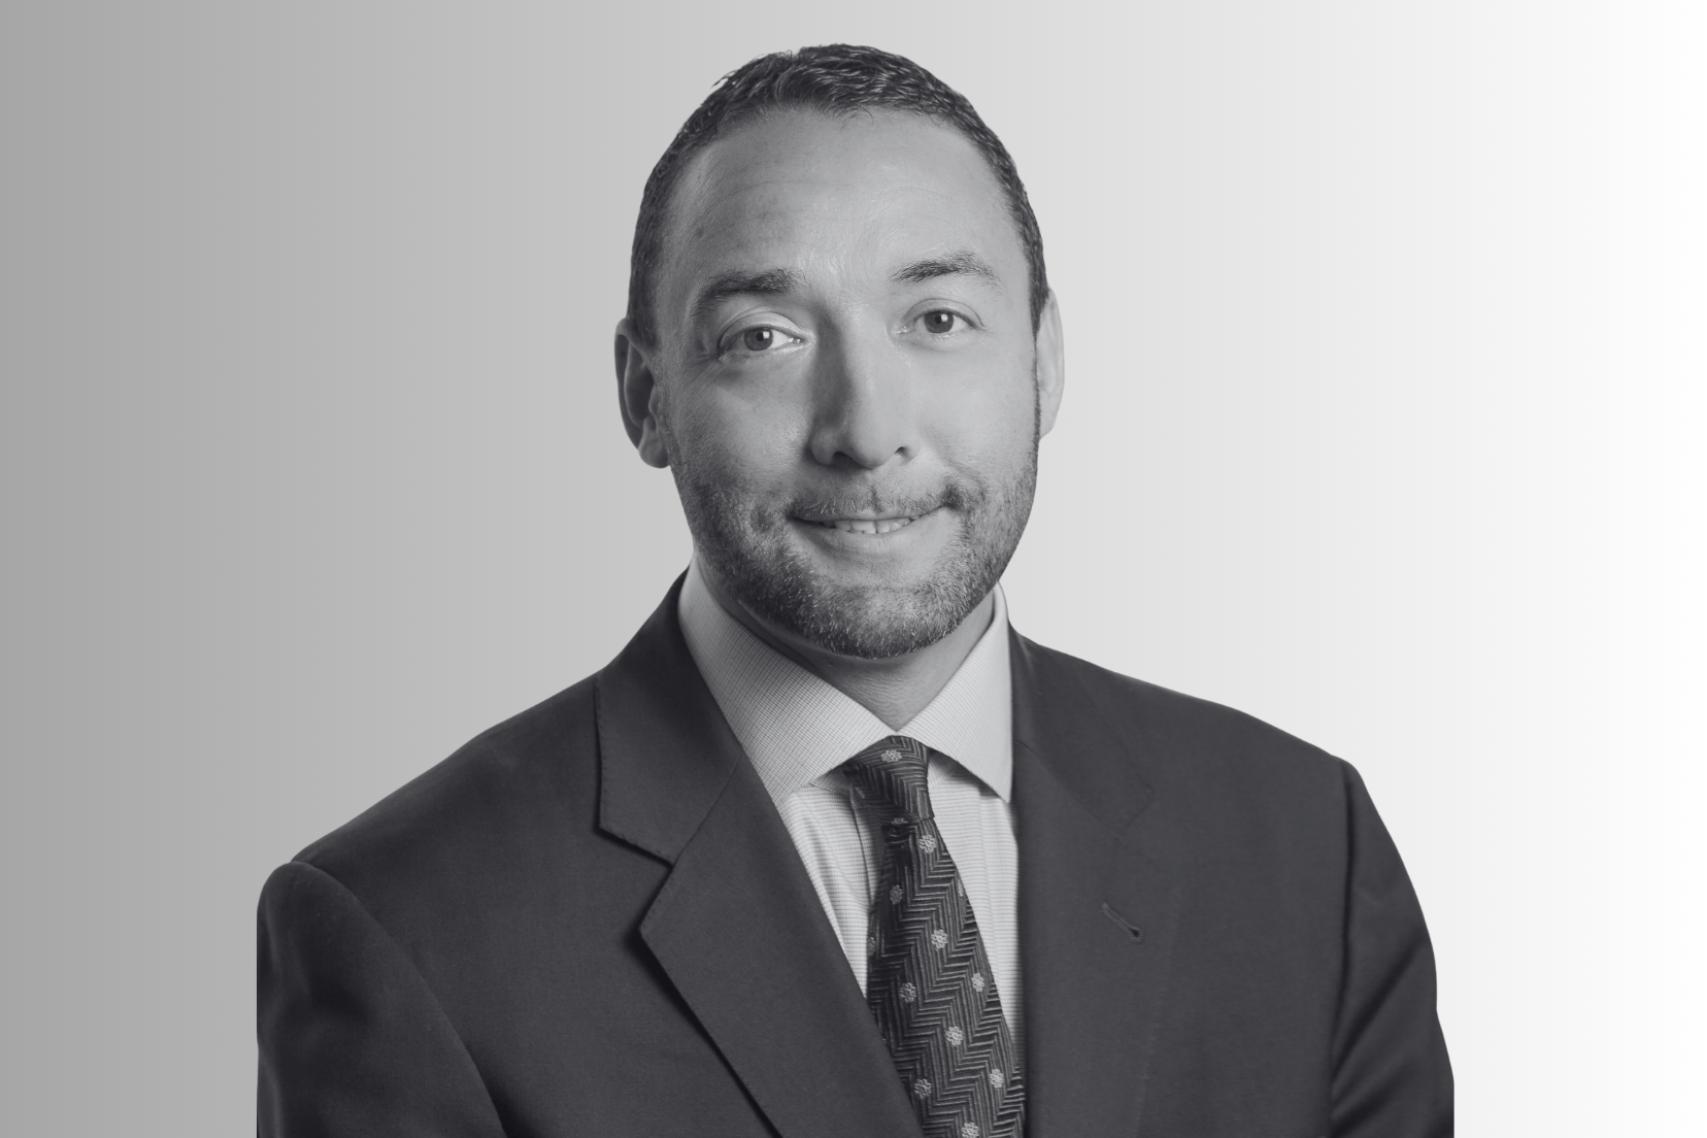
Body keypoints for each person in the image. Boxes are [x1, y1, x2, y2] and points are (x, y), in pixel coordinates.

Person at [256, 44, 1452, 1138]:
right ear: (645, 395)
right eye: (764, 337)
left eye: (939, 318)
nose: (867, 430)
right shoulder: (409, 924)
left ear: (1044, 361)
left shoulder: (1307, 849)